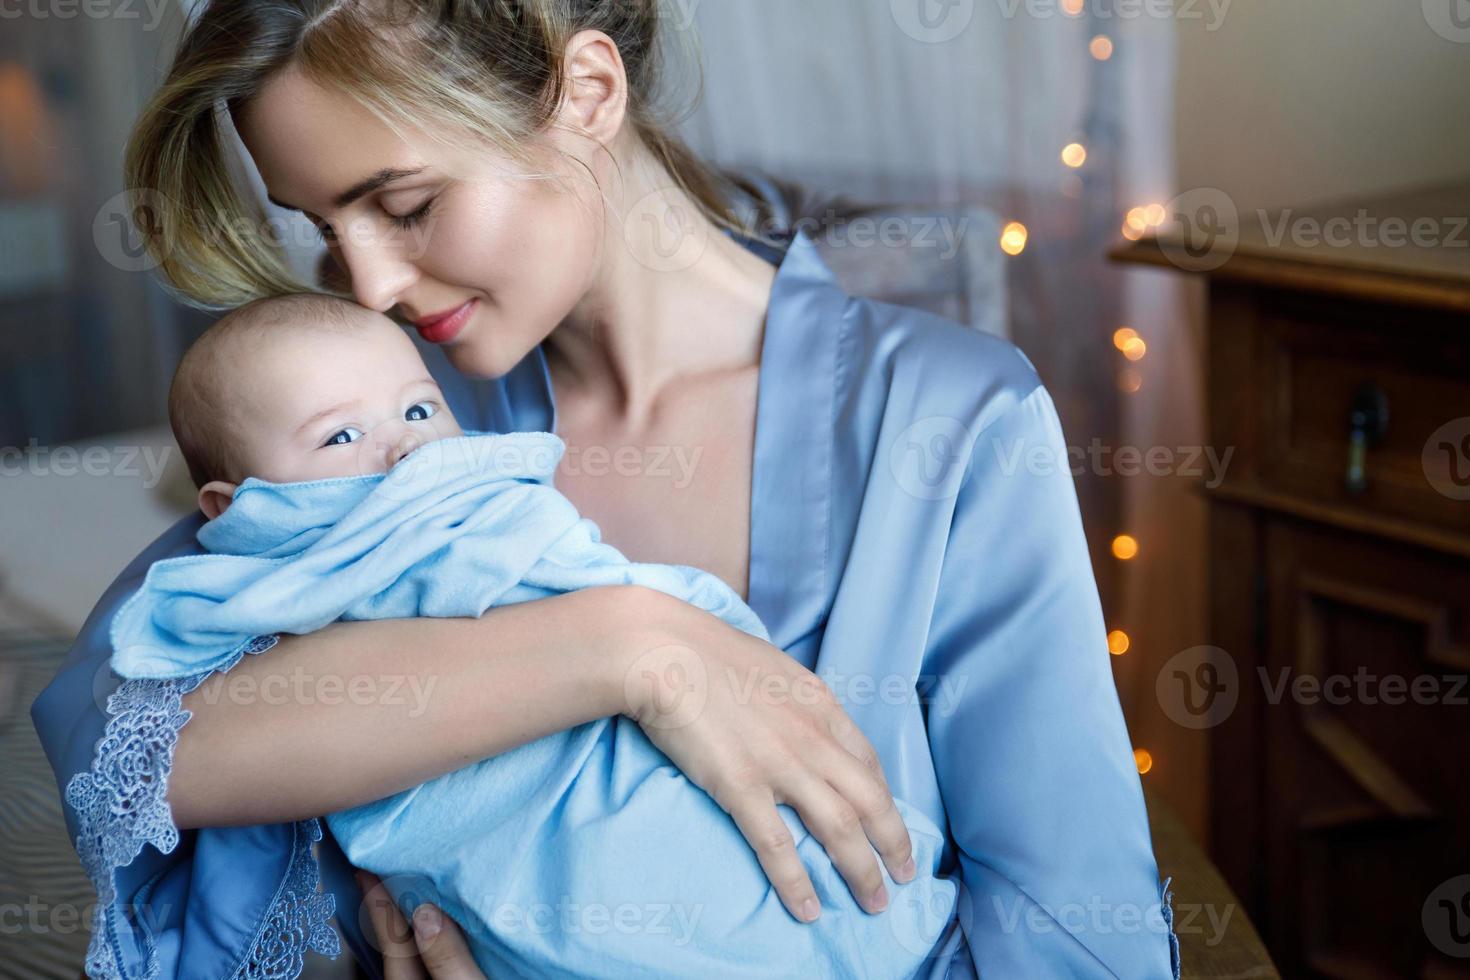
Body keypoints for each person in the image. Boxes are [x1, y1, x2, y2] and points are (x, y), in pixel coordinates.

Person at [32, 1, 1179, 977]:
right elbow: (127, 744)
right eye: (323, 225)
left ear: (586, 89)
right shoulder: (396, 417)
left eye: (407, 203)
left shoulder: (946, 420)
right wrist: (630, 647)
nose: (369, 282)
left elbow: (1085, 945)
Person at [107, 292, 955, 978]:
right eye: (341, 435)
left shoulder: (485, 500)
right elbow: (149, 749)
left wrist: (660, 631)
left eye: (416, 407)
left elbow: (578, 568)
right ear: (232, 511)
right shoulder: (227, 591)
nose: (404, 449)